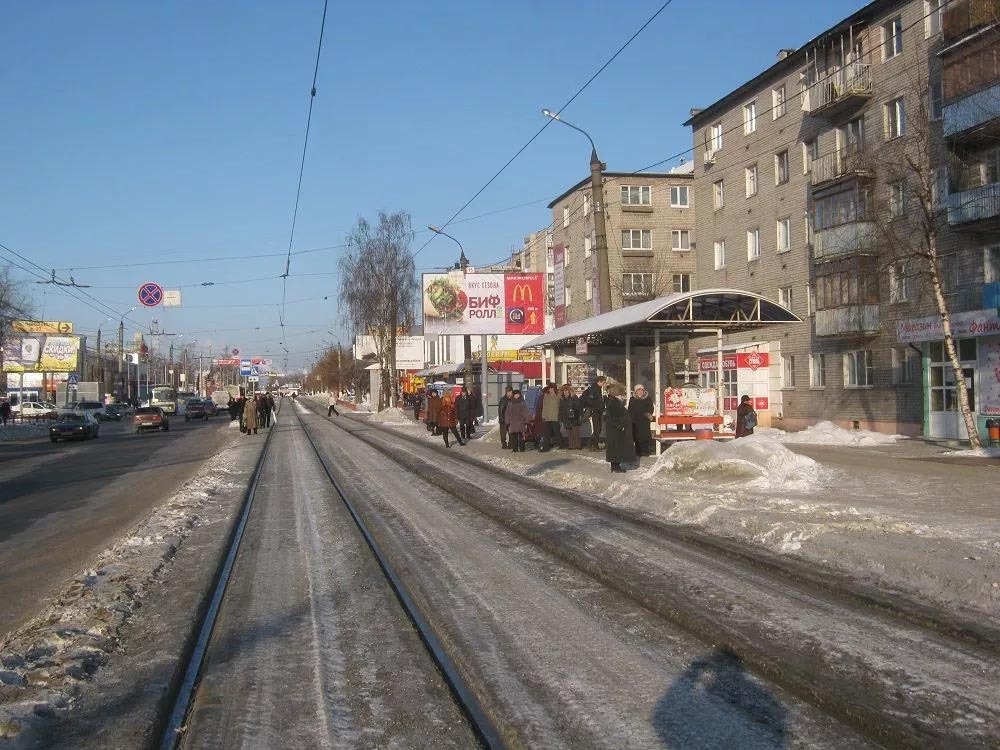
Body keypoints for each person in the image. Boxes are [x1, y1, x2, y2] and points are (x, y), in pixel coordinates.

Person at [605, 383, 637, 473]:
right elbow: (613, 417)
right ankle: (615, 466)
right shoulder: (614, 403)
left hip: (617, 430)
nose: (623, 396)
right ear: (617, 393)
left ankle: (616, 465)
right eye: (621, 394)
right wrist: (620, 426)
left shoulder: (615, 402)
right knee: (616, 448)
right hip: (616, 431)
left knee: (617, 448)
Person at [627, 384, 655, 457]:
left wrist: (648, 414)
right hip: (635, 420)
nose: (640, 391)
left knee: (645, 436)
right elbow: (630, 409)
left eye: (641, 390)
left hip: (644, 420)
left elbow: (651, 407)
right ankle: (638, 452)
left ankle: (645, 451)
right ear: (635, 391)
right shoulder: (632, 399)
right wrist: (631, 417)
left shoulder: (647, 398)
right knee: (636, 437)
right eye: (638, 390)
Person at [581, 375, 607, 450]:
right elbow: (590, 400)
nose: (604, 384)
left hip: (597, 410)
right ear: (599, 382)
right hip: (595, 411)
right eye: (603, 382)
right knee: (597, 428)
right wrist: (595, 407)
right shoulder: (594, 388)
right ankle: (593, 444)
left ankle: (592, 444)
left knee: (598, 428)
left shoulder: (597, 388)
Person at [558, 384, 583, 450]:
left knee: (576, 432)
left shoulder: (574, 397)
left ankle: (578, 445)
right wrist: (560, 418)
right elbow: (560, 409)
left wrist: (579, 415)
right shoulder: (562, 399)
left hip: (575, 417)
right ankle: (571, 445)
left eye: (567, 391)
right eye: (564, 391)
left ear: (569, 391)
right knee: (569, 432)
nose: (566, 392)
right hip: (566, 418)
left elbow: (579, 407)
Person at [540, 383, 562, 451]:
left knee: (557, 432)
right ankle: (546, 447)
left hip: (555, 417)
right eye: (549, 388)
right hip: (547, 417)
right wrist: (543, 416)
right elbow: (544, 407)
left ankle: (561, 444)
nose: (551, 390)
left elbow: (560, 406)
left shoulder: (558, 396)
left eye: (552, 388)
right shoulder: (546, 396)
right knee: (546, 433)